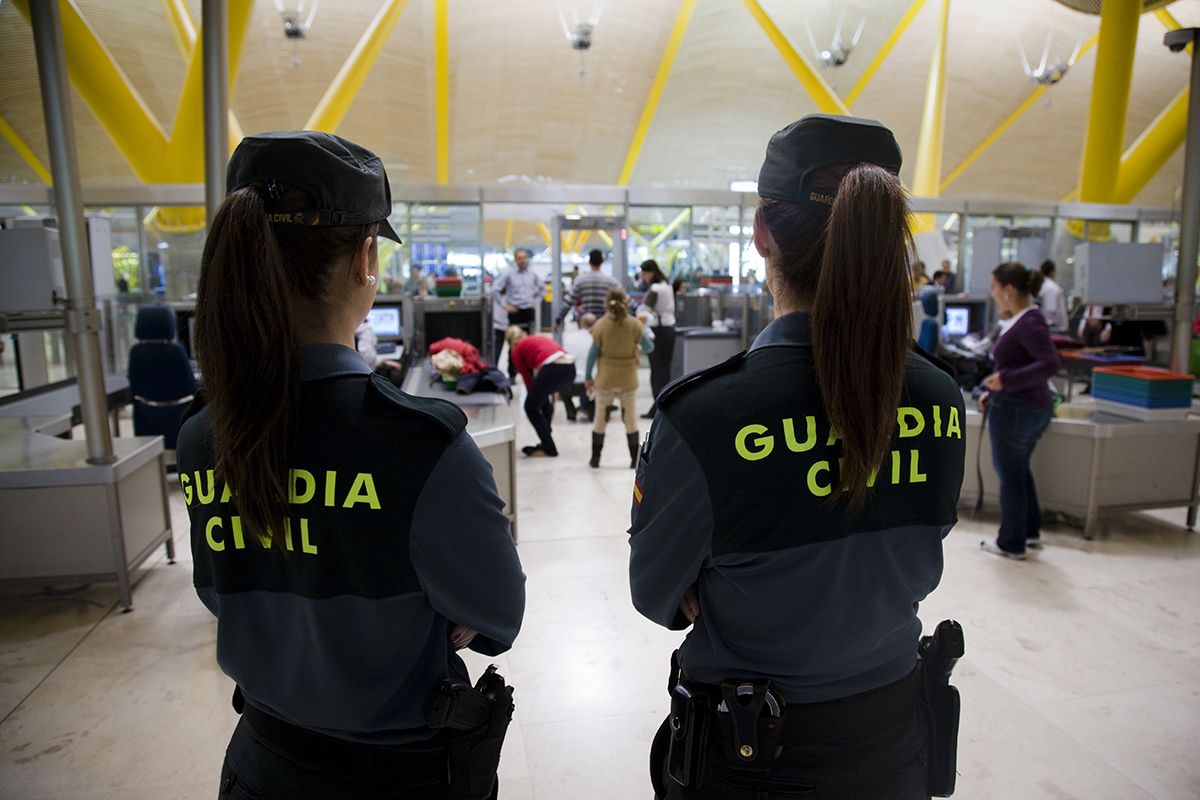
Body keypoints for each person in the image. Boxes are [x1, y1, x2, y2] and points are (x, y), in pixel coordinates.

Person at [177, 131, 525, 799]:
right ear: (367, 258)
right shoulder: (421, 444)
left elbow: (219, 592)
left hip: (259, 766)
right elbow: (496, 618)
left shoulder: (202, 437)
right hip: (399, 775)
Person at [629, 115, 966, 800]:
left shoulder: (703, 416)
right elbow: (918, 547)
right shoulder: (937, 394)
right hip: (892, 743)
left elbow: (657, 593)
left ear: (761, 233)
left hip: (749, 754)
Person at [979, 261, 1060, 559]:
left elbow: (1049, 364)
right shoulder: (1023, 319)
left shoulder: (1030, 321)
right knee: (1019, 470)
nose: (993, 293)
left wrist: (1006, 381)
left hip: (1017, 408)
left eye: (994, 287)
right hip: (1021, 404)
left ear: (1009, 290)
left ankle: (1011, 541)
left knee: (1010, 474)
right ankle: (1029, 530)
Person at [586, 287, 653, 468]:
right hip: (628, 379)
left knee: (600, 418)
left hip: (605, 379)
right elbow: (649, 347)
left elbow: (593, 353)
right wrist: (635, 349)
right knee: (630, 419)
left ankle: (595, 459)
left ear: (607, 303)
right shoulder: (634, 324)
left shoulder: (600, 325)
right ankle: (634, 460)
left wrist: (587, 377)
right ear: (626, 302)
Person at [506, 325, 576, 457]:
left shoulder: (516, 350)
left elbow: (528, 380)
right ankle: (546, 436)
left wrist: (532, 395)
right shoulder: (537, 338)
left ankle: (549, 447)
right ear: (524, 333)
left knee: (530, 407)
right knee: (542, 401)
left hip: (553, 368)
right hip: (570, 368)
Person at [637, 259, 676, 418]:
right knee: (665, 370)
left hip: (658, 331)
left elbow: (644, 310)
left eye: (644, 274)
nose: (644, 278)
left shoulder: (654, 289)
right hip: (669, 329)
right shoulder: (667, 285)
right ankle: (665, 405)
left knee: (656, 370)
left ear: (651, 272)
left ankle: (657, 407)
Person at [557, 249, 619, 327]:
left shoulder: (580, 281)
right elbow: (625, 299)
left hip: (586, 324)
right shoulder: (611, 282)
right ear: (602, 261)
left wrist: (559, 319)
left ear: (589, 262)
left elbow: (569, 302)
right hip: (604, 324)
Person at [561, 312, 598, 422]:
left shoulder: (569, 338)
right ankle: (591, 409)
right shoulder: (597, 338)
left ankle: (570, 411)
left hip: (570, 383)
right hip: (592, 384)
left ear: (580, 323)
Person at [494, 248, 538, 334]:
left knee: (530, 341)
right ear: (516, 260)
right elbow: (495, 289)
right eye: (520, 258)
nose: (523, 260)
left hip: (529, 311)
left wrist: (535, 301)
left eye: (525, 257)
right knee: (515, 340)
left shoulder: (532, 274)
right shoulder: (509, 274)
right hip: (515, 311)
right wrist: (505, 306)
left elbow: (542, 288)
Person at [1037, 259, 1068, 331]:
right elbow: (1057, 312)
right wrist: (1065, 327)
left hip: (1039, 325)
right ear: (1053, 272)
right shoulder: (1055, 288)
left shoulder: (1038, 286)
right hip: (1053, 327)